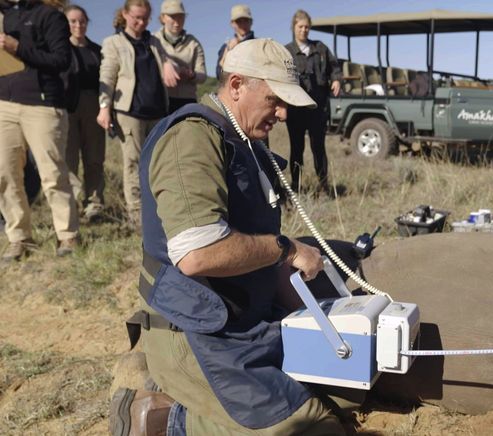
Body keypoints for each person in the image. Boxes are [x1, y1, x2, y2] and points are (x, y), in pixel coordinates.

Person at [111, 38, 345, 435]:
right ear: (236, 85)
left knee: (342, 385)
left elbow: (253, 244)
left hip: (244, 316)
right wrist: (285, 250)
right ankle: (165, 417)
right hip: (197, 329)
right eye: (274, 100)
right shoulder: (192, 137)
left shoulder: (246, 140)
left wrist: (305, 306)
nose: (283, 114)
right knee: (310, 427)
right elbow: (197, 254)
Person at [0, 0, 79, 261]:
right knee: (5, 174)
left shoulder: (50, 16)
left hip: (43, 105)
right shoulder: (6, 16)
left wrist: (19, 48)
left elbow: (61, 60)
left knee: (53, 172)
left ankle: (67, 235)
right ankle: (19, 237)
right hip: (5, 105)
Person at [98, 0, 176, 227]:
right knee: (133, 163)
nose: (141, 22)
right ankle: (137, 216)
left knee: (158, 163)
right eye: (136, 17)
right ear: (125, 14)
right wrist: (104, 107)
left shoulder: (154, 41)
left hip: (157, 110)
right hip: (129, 111)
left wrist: (168, 63)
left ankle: (158, 213)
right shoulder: (113, 42)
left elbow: (165, 62)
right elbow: (107, 75)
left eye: (145, 18)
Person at [285, 9, 342, 195]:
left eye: (307, 27)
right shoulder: (287, 51)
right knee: (296, 149)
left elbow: (335, 68)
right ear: (294, 27)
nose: (304, 30)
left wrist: (336, 80)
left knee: (318, 148)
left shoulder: (320, 48)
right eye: (300, 26)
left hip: (317, 107)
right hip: (296, 109)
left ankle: (324, 185)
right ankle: (296, 186)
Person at [63, 4, 105, 222]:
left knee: (94, 157)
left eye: (82, 21)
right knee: (69, 159)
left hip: (93, 104)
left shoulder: (97, 51)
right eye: (73, 21)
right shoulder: (59, 48)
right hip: (66, 106)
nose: (78, 25)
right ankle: (73, 203)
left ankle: (94, 204)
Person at [153, 0, 206, 113]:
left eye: (181, 17)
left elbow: (202, 75)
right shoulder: (153, 40)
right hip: (160, 99)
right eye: (172, 17)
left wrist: (191, 75)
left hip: (187, 101)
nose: (177, 22)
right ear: (162, 18)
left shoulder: (194, 43)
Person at [215, 4, 254, 81]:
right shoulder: (226, 47)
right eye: (239, 21)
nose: (243, 24)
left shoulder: (260, 45)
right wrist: (227, 51)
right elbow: (220, 75)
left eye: (246, 20)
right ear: (232, 24)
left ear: (251, 22)